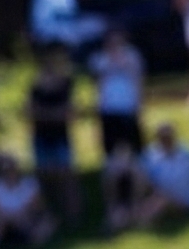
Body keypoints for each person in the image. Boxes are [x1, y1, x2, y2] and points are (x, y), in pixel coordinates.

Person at [27, 45, 80, 224]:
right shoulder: (36, 87)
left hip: (60, 138)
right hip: (42, 139)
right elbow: (30, 112)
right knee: (44, 178)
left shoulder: (65, 85)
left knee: (67, 177)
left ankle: (74, 218)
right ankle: (48, 217)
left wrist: (44, 113)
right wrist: (54, 114)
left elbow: (69, 113)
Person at [91, 26, 147, 162]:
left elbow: (138, 80)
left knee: (134, 145)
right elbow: (98, 83)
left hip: (128, 107)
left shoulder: (133, 56)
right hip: (108, 109)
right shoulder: (100, 58)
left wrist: (139, 103)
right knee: (111, 146)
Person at [0, 150, 55, 248]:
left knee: (48, 221)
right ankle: (0, 243)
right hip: (2, 220)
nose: (10, 171)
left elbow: (39, 205)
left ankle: (30, 242)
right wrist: (9, 217)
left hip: (26, 219)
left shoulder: (30, 184)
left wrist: (22, 215)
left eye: (12, 166)